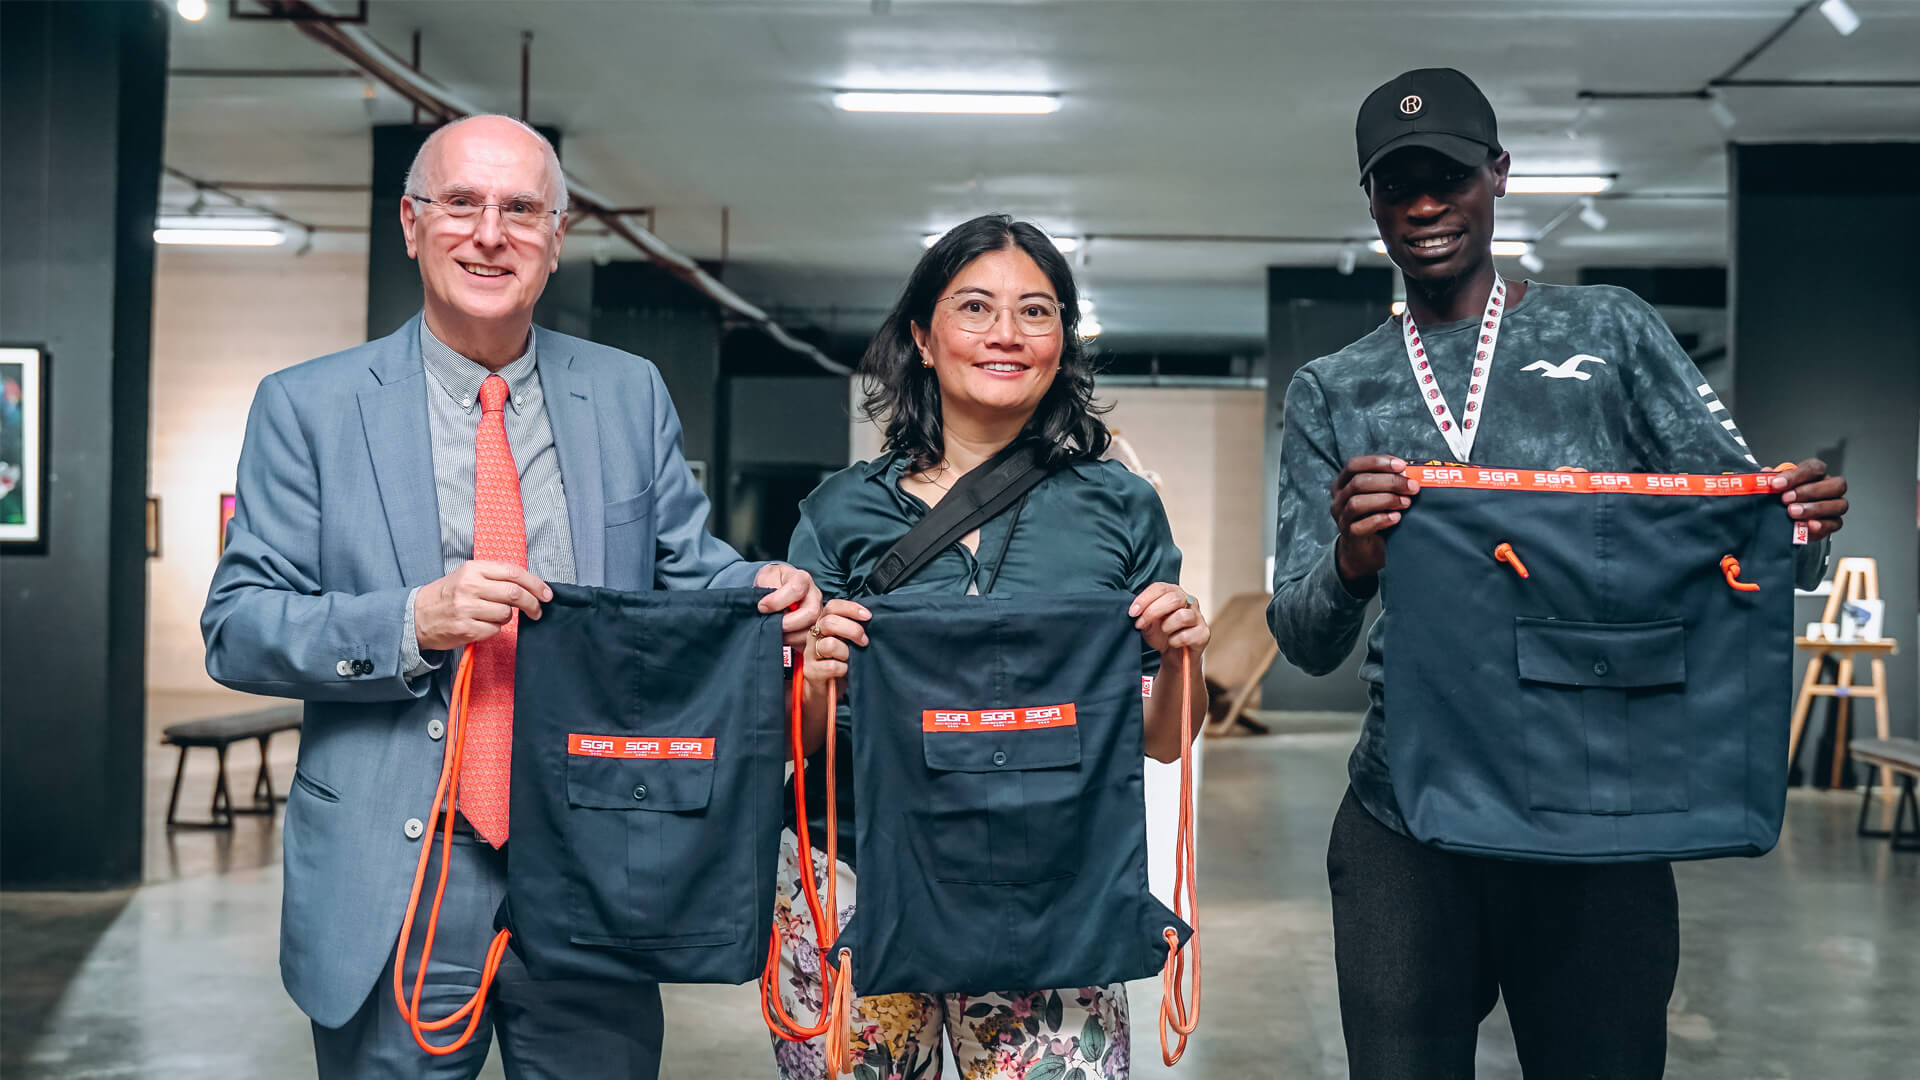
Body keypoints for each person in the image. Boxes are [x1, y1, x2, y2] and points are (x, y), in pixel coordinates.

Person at [200, 114, 822, 1079]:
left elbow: (688, 571)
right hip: (400, 876)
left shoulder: (626, 393)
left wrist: (764, 589)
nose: (490, 233)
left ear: (556, 237)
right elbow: (239, 627)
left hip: (596, 858)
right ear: (411, 224)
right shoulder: (309, 407)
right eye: (461, 204)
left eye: (522, 209)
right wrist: (414, 621)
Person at [1268, 69, 1849, 1078]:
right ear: (1370, 201)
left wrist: (1801, 525)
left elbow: (1736, 531)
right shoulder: (1335, 390)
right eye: (1395, 183)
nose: (1423, 205)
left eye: (1447, 175)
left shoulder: (1609, 333)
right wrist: (1356, 560)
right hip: (1407, 813)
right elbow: (1304, 638)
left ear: (1498, 175)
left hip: (1597, 803)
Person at [768, 214, 1209, 1080]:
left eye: (1036, 312)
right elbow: (794, 740)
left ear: (1061, 344)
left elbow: (1159, 738)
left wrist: (1187, 655)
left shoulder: (1119, 509)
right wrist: (818, 676)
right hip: (855, 867)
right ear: (924, 339)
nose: (1006, 333)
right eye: (975, 307)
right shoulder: (840, 510)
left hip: (1054, 877)